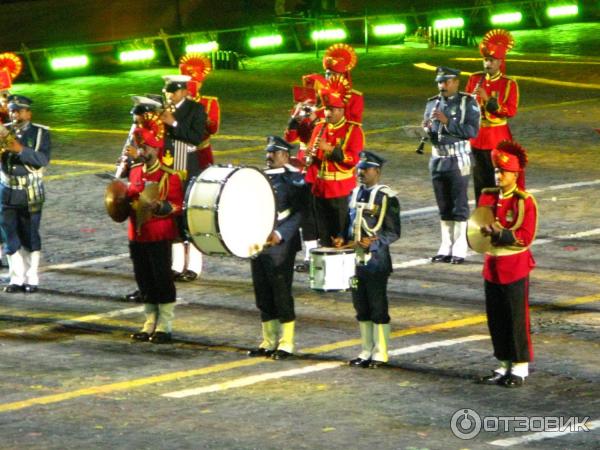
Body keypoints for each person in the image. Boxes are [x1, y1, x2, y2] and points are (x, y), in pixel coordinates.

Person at [477, 140, 536, 388]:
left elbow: (526, 235)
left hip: (514, 266)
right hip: (492, 265)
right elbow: (478, 224)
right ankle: (503, 363)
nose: (498, 176)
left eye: (503, 172)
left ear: (515, 175)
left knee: (515, 317)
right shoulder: (488, 196)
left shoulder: (523, 201)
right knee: (496, 317)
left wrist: (502, 234)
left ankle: (520, 366)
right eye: (496, 171)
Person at [334, 151, 401, 368]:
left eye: (365, 169)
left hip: (375, 262)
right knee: (360, 306)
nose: (360, 172)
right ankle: (366, 350)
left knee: (377, 306)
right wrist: (342, 239)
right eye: (359, 168)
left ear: (377, 172)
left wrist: (374, 242)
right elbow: (349, 224)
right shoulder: (353, 193)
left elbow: (393, 231)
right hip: (354, 261)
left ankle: (381, 352)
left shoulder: (387, 197)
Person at [248, 136, 307, 360]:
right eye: (268, 152)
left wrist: (281, 234)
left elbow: (300, 212)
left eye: (274, 152)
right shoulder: (257, 177)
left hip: (280, 244)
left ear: (285, 155)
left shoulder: (293, 179)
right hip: (257, 242)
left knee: (281, 292)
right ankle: (268, 340)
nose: (268, 156)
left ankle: (286, 342)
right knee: (262, 293)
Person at [126, 123, 184, 344]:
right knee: (143, 278)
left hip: (158, 233)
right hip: (137, 233)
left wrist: (162, 207)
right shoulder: (134, 171)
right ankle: (149, 322)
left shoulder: (169, 175)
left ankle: (165, 325)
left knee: (162, 278)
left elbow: (178, 205)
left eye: (146, 147)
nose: (142, 151)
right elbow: (130, 196)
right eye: (140, 147)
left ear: (156, 149)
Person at [423, 67, 480, 264]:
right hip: (437, 159)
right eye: (440, 82)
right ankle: (445, 246)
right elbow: (430, 131)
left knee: (459, 204)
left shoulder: (468, 102)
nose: (442, 86)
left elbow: (472, 131)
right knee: (444, 205)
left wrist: (447, 122)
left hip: (458, 159)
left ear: (456, 82)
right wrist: (425, 130)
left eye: (446, 82)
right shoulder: (432, 103)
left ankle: (460, 247)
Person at [0, 95, 51, 293]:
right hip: (6, 191)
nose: (15, 114)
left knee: (30, 235)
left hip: (30, 191)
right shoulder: (6, 131)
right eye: (12, 111)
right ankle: (16, 278)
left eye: (19, 111)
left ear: (28, 113)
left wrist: (19, 149)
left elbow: (42, 159)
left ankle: (32, 278)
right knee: (9, 236)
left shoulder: (40, 133)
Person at [306, 75, 364, 246]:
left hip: (341, 190)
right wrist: (309, 156)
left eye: (331, 109)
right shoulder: (319, 127)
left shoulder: (353, 130)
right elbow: (312, 155)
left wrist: (330, 149)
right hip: (320, 188)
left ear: (341, 110)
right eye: (325, 109)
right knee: (323, 236)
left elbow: (353, 159)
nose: (327, 113)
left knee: (341, 236)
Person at [161, 74, 207, 282]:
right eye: (168, 91)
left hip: (187, 167)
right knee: (170, 216)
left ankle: (194, 267)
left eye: (173, 91)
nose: (169, 95)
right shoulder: (162, 109)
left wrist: (174, 123)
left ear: (184, 91)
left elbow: (196, 137)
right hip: (168, 169)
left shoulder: (195, 109)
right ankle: (176, 264)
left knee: (188, 216)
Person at [465, 29, 519, 204]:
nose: (487, 64)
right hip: (477, 138)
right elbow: (466, 104)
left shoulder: (508, 84)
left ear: (500, 62)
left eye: (492, 60)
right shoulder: (474, 79)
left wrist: (488, 101)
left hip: (497, 138)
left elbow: (510, 111)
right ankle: (482, 214)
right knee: (480, 181)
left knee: (497, 179)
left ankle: (499, 213)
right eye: (486, 60)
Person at [179, 54, 221, 172]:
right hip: (179, 151)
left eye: (195, 83)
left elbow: (213, 129)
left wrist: (205, 119)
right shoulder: (174, 102)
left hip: (201, 152)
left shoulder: (209, 103)